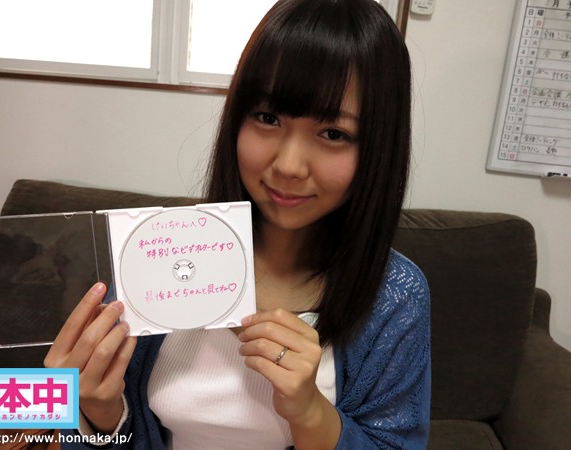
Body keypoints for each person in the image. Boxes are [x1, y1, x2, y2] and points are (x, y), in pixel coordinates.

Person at [45, 0, 431, 448]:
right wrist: (93, 416)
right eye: (268, 118)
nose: (288, 165)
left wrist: (310, 411)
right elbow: (67, 421)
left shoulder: (397, 296)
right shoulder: (161, 251)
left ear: (378, 148)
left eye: (333, 134)